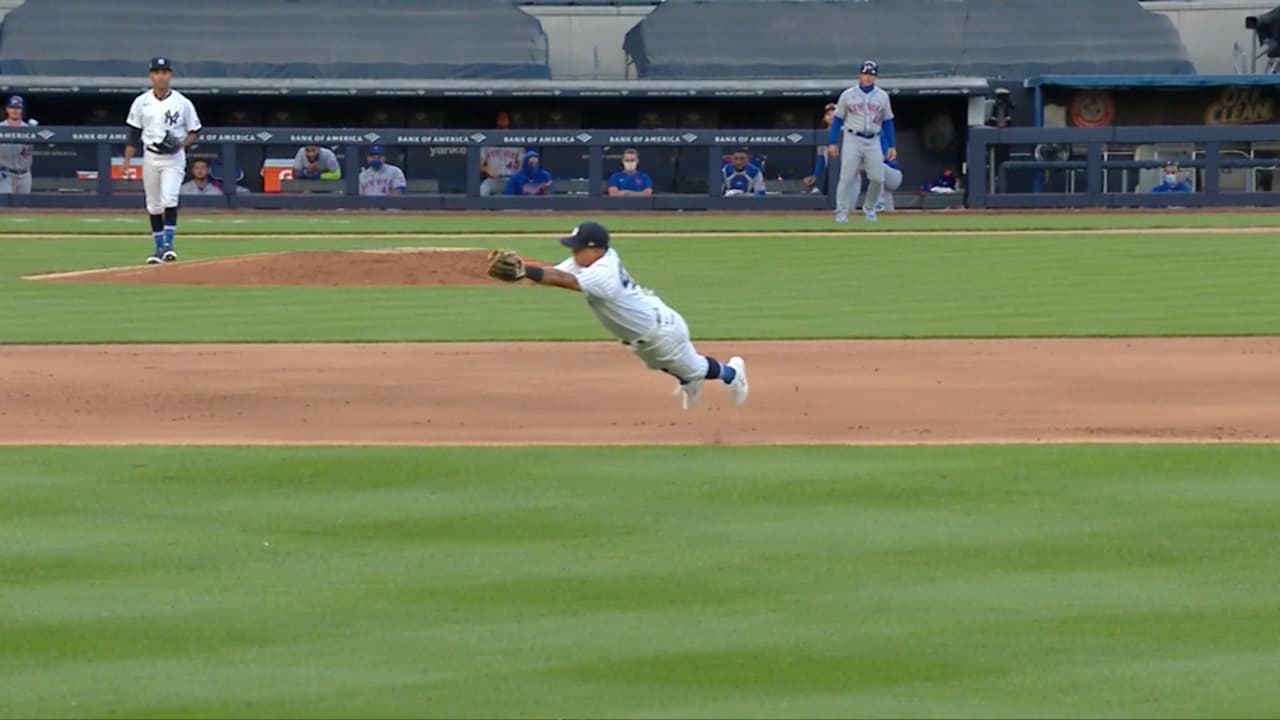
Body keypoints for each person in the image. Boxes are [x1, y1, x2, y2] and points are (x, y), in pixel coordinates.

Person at [485, 221, 748, 410]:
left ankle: (732, 373)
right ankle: (688, 378)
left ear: (595, 249)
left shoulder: (604, 274)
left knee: (695, 367)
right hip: (653, 323)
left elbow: (565, 280)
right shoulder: (591, 259)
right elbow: (555, 273)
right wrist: (524, 271)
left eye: (577, 248)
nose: (573, 252)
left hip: (660, 333)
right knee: (658, 363)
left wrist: (526, 271)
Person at [122, 56, 202, 264]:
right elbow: (133, 134)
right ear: (151, 76)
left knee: (169, 199)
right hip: (151, 156)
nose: (160, 76)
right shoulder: (141, 102)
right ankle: (158, 247)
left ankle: (168, 245)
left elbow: (195, 131)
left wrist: (180, 145)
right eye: (157, 72)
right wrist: (127, 162)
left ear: (170, 75)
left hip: (173, 158)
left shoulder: (182, 103)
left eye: (164, 72)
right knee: (153, 205)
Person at [829, 60, 896, 222]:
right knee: (846, 177)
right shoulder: (847, 94)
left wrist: (892, 145)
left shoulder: (882, 96)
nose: (868, 77)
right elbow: (837, 119)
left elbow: (888, 121)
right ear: (859, 75)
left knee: (877, 178)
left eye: (871, 74)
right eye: (865, 73)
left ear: (876, 77)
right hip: (852, 138)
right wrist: (832, 142)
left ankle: (870, 208)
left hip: (873, 139)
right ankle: (841, 211)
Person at [846, 134, 904, 212]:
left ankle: (878, 204)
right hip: (882, 180)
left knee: (877, 166)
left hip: (893, 175)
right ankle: (850, 208)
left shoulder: (878, 134)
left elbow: (881, 158)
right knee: (888, 210)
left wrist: (861, 166)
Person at [479, 111, 523, 196]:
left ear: (508, 121)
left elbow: (522, 164)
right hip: (493, 180)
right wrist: (487, 169)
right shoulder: (488, 138)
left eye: (504, 118)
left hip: (511, 179)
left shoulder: (517, 139)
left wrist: (516, 170)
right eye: (500, 118)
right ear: (497, 120)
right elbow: (479, 164)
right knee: (481, 192)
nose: (502, 120)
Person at [0, 95, 35, 195]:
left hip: (24, 175)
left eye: (18, 108)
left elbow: (27, 153)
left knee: (23, 204)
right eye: (12, 107)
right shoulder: (1, 127)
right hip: (5, 174)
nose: (15, 110)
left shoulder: (28, 129)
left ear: (22, 110)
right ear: (7, 109)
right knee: (5, 203)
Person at [803, 102, 837, 194]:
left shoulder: (848, 132)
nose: (832, 117)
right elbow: (821, 159)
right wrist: (815, 176)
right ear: (824, 118)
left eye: (834, 114)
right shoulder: (822, 135)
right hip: (829, 172)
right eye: (828, 114)